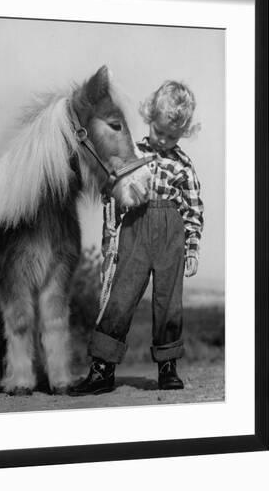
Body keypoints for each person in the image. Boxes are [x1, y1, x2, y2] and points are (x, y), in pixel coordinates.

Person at [70, 80, 204, 395]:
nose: (164, 140)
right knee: (121, 295)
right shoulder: (133, 153)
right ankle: (102, 369)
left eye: (172, 136)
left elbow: (194, 211)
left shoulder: (184, 166)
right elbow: (111, 189)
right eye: (159, 132)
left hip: (172, 234)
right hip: (134, 229)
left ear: (182, 134)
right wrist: (115, 219)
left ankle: (168, 367)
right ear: (149, 119)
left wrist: (193, 249)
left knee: (169, 302)